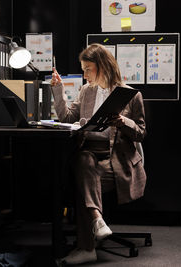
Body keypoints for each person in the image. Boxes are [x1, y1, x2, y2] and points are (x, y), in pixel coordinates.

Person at [50, 43, 147, 265]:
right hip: (90, 156)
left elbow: (141, 133)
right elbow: (66, 118)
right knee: (84, 162)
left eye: (88, 69)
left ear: (102, 66)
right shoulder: (86, 91)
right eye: (83, 69)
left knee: (82, 180)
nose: (84, 75)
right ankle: (97, 220)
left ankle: (86, 247)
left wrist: (123, 122)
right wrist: (58, 90)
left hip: (116, 162)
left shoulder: (130, 95)